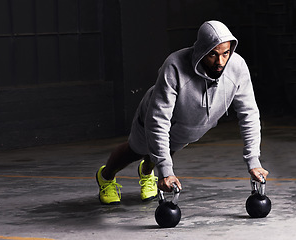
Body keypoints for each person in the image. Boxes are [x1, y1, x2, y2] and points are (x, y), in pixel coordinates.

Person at [96, 20, 269, 205]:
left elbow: (249, 113)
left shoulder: (237, 67)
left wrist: (253, 160)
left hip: (190, 127)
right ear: (202, 50)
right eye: (213, 54)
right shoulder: (174, 65)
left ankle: (147, 172)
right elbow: (158, 121)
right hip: (156, 117)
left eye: (225, 53)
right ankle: (106, 176)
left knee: (164, 152)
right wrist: (166, 171)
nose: (220, 62)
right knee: (136, 150)